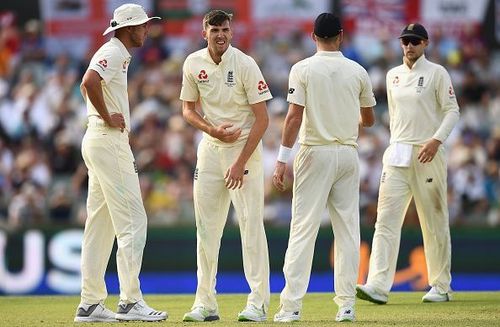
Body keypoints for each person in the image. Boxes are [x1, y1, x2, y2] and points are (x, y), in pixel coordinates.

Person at [272, 13, 376, 323]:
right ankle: (346, 306)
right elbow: (369, 119)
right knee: (347, 232)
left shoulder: (302, 69)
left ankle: (290, 307)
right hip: (346, 153)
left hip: (314, 152)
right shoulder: (357, 70)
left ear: (313, 36)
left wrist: (280, 159)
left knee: (303, 230)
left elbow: (293, 117)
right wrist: (346, 119)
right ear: (341, 36)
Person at [74, 4, 167, 323]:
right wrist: (106, 116)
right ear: (128, 29)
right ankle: (129, 301)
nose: (146, 30)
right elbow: (88, 82)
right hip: (106, 140)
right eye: (142, 26)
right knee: (134, 221)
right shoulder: (113, 50)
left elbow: (89, 83)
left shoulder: (117, 52)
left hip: (99, 141)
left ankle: (90, 304)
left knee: (100, 225)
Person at [356, 23, 460, 305]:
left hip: (429, 153)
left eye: (415, 41)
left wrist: (436, 141)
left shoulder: (437, 73)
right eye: (405, 41)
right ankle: (377, 284)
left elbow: (452, 111)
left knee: (433, 220)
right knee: (386, 220)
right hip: (397, 154)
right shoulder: (393, 76)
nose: (409, 46)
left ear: (425, 44)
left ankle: (441, 286)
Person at [179, 10, 272, 322]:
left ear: (232, 32)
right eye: (215, 29)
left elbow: (262, 119)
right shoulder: (193, 63)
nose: (221, 35)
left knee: (250, 226)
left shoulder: (244, 63)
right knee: (206, 229)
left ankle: (258, 303)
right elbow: (188, 110)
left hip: (244, 149)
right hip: (211, 147)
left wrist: (240, 162)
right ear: (204, 32)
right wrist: (210, 130)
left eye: (226, 30)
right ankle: (205, 303)